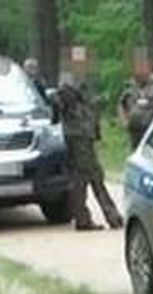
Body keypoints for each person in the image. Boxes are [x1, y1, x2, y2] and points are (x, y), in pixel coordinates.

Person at [54, 80, 123, 231]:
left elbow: (93, 125)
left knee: (82, 182)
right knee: (93, 180)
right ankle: (111, 217)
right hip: (80, 144)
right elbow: (59, 104)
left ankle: (85, 218)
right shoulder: (68, 107)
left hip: (82, 142)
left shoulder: (83, 107)